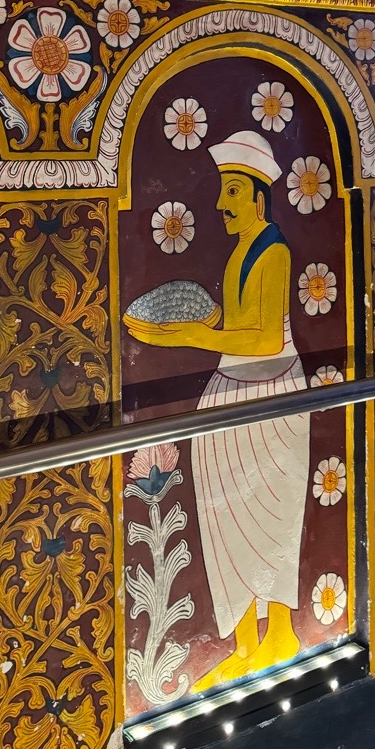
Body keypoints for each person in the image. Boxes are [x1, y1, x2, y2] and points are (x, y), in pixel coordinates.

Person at [126, 130, 309, 690]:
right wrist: (201, 325)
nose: (222, 203)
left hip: (270, 395)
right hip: (234, 390)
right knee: (229, 522)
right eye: (223, 191)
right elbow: (237, 327)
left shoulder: (273, 250)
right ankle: (249, 642)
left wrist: (189, 334)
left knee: (269, 521)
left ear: (258, 197)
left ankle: (281, 634)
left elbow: (263, 338)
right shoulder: (241, 250)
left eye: (232, 191)